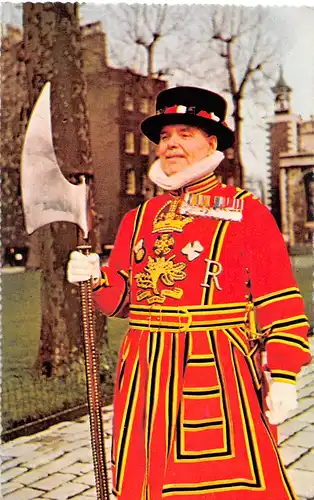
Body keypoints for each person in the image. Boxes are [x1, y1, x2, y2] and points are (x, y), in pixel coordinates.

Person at [67, 86, 311, 499]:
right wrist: (96, 277)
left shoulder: (245, 210)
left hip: (214, 367)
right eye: (164, 137)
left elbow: (279, 299)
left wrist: (284, 375)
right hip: (144, 370)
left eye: (185, 133)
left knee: (219, 485)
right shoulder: (138, 218)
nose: (172, 144)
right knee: (145, 481)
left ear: (211, 142)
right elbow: (121, 302)